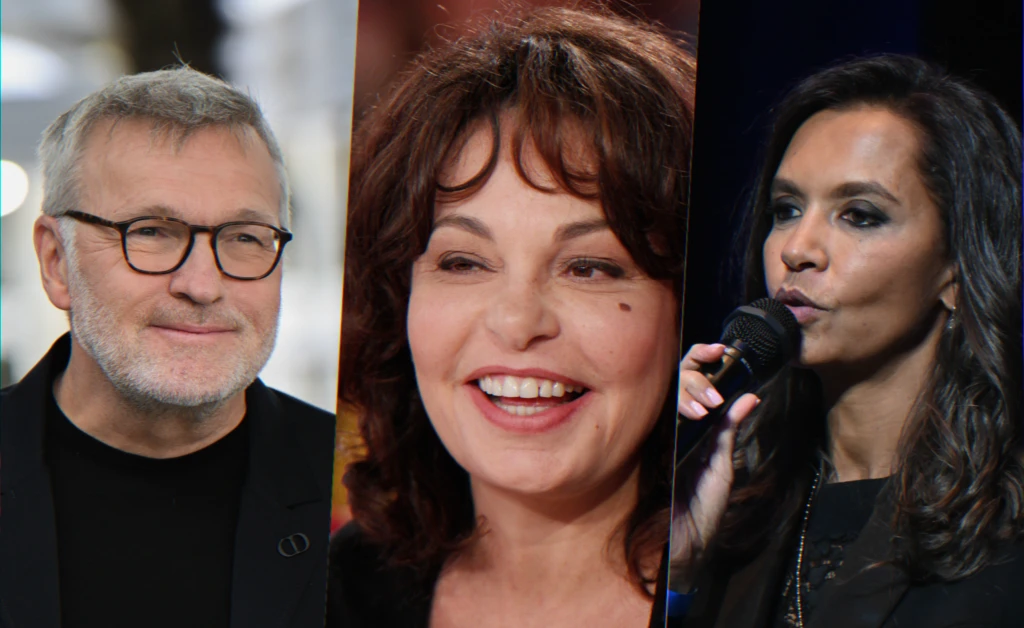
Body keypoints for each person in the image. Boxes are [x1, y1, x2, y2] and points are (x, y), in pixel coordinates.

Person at [328, 7, 696, 628]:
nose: (518, 322)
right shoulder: (329, 591)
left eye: (590, 268)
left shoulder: (783, 598)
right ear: (399, 304)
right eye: (465, 262)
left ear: (685, 308)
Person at [673, 54, 1024, 627]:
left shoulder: (1009, 535)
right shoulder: (734, 509)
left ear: (957, 268)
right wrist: (673, 574)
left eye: (858, 215)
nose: (797, 248)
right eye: (785, 210)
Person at [0, 68, 336, 628]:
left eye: (244, 238)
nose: (202, 285)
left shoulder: (366, 491)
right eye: (152, 232)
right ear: (56, 262)